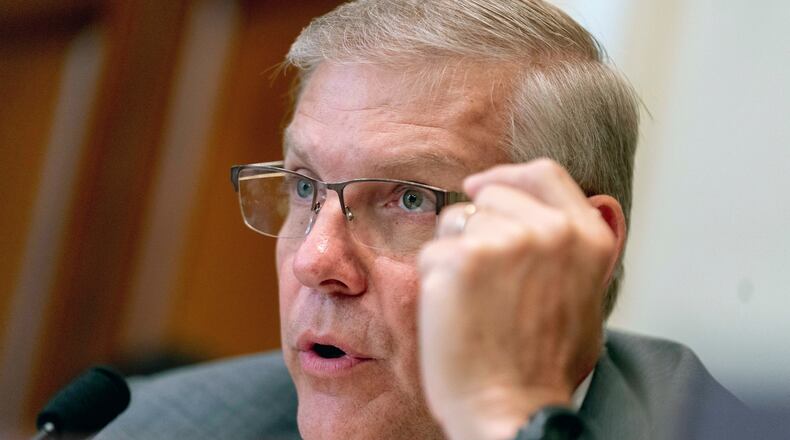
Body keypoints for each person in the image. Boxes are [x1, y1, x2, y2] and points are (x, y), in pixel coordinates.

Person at [96, 1, 749, 439]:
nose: (315, 260)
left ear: (582, 245)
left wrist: (509, 420)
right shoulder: (158, 425)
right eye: (304, 186)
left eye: (409, 199)